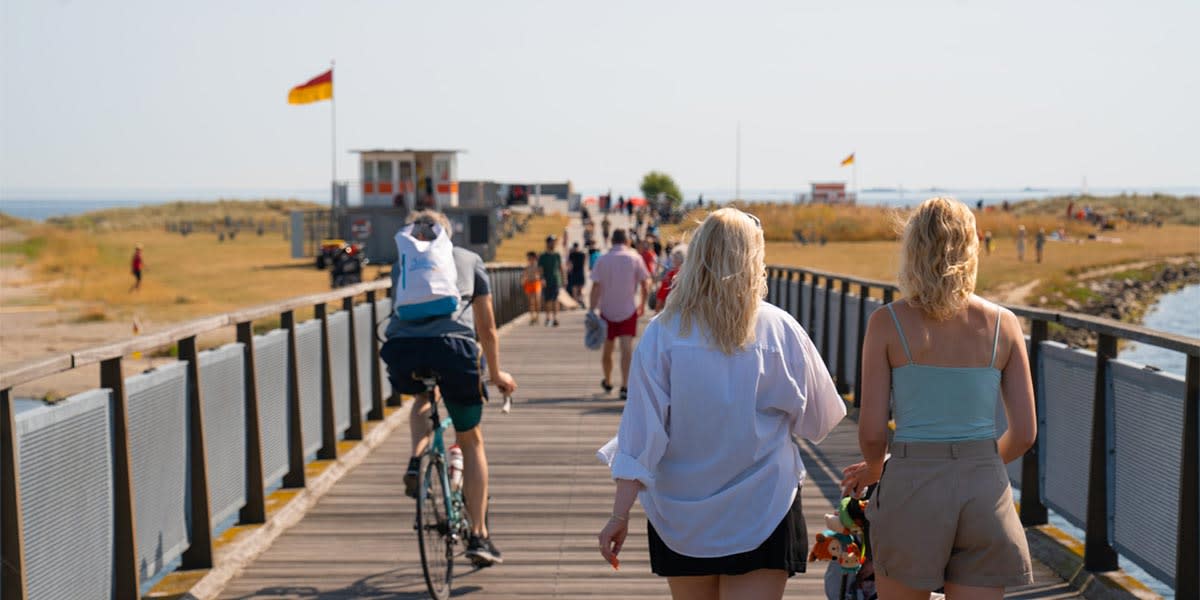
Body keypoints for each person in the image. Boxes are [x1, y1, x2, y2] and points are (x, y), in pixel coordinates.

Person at [598, 208, 846, 600]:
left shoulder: (664, 332)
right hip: (764, 507)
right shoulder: (779, 329)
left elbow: (639, 436)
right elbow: (820, 420)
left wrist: (619, 515)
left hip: (682, 518)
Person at [840, 197, 1036, 599]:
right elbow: (1025, 433)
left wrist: (876, 469)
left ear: (912, 249)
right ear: (971, 249)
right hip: (985, 488)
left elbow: (873, 432)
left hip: (912, 485)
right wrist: (973, 460)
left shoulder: (887, 323)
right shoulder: (1005, 325)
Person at [381, 210, 518, 566]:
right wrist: (497, 373)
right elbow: (486, 328)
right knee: (471, 439)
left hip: (402, 350)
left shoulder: (402, 263)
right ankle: (478, 536)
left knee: (425, 395)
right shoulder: (469, 259)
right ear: (446, 232)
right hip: (452, 349)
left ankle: (416, 459)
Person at [589, 229, 650, 400]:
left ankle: (608, 381)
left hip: (606, 311)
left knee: (607, 351)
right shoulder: (635, 258)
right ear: (627, 241)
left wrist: (591, 309)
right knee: (626, 351)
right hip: (628, 309)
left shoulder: (602, 260)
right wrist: (642, 305)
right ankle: (625, 385)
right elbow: (645, 284)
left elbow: (595, 287)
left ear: (612, 241)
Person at [538, 235, 565, 326]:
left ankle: (555, 318)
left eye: (554, 242)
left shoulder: (557, 255)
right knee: (547, 300)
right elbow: (540, 269)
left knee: (555, 299)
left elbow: (560, 268)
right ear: (547, 243)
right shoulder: (543, 256)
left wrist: (564, 279)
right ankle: (548, 317)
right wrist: (542, 279)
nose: (553, 243)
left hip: (555, 280)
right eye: (551, 242)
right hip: (546, 280)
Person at [654, 245, 686, 312]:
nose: (673, 259)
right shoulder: (687, 274)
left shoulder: (672, 274)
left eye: (675, 257)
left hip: (671, 309)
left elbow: (661, 297)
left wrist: (656, 311)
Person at [522, 251, 543, 325]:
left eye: (531, 258)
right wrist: (523, 282)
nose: (529, 259)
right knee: (531, 302)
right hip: (529, 284)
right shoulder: (527, 267)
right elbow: (524, 276)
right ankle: (532, 318)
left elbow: (541, 275)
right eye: (529, 258)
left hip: (536, 283)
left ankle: (537, 317)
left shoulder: (538, 267)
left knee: (537, 301)